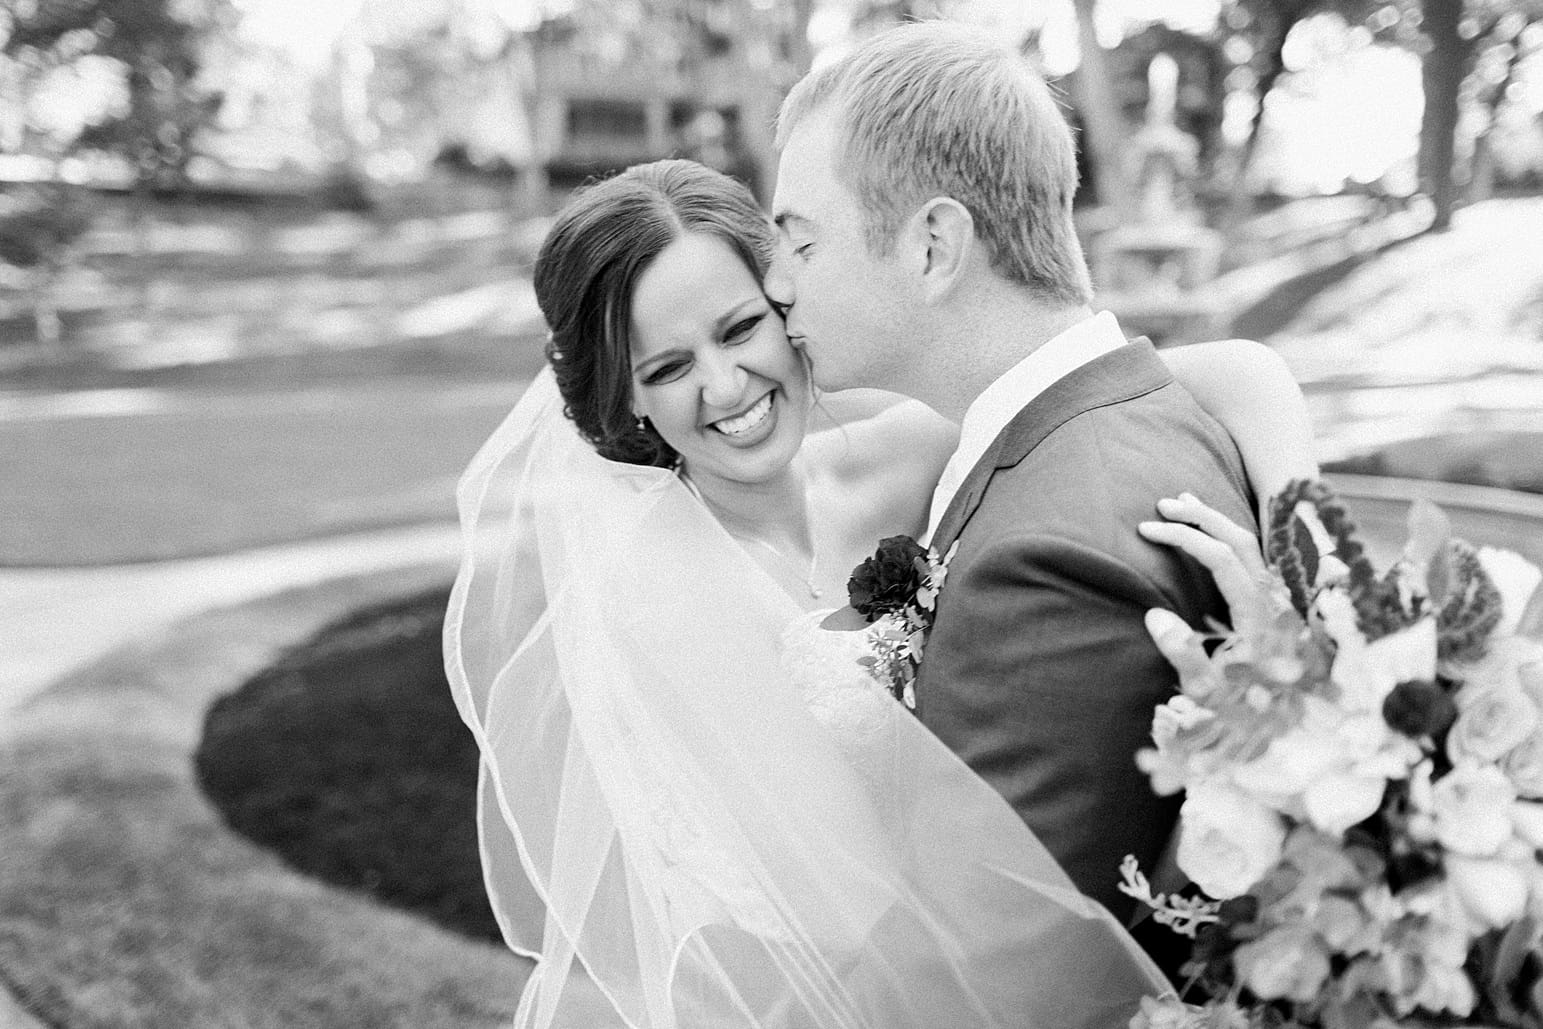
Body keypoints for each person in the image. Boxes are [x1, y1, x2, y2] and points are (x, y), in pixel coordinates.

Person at [445, 158, 1317, 1027]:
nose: (724, 385)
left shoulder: (896, 453)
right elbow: (884, 918)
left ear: (790, 302)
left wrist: (1309, 600)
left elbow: (1239, 371)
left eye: (741, 327)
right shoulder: (659, 593)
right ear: (627, 400)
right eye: (668, 368)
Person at [765, 22, 1314, 973]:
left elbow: (990, 983)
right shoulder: (1150, 415)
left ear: (934, 244)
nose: (776, 284)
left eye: (801, 243)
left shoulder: (1044, 555)